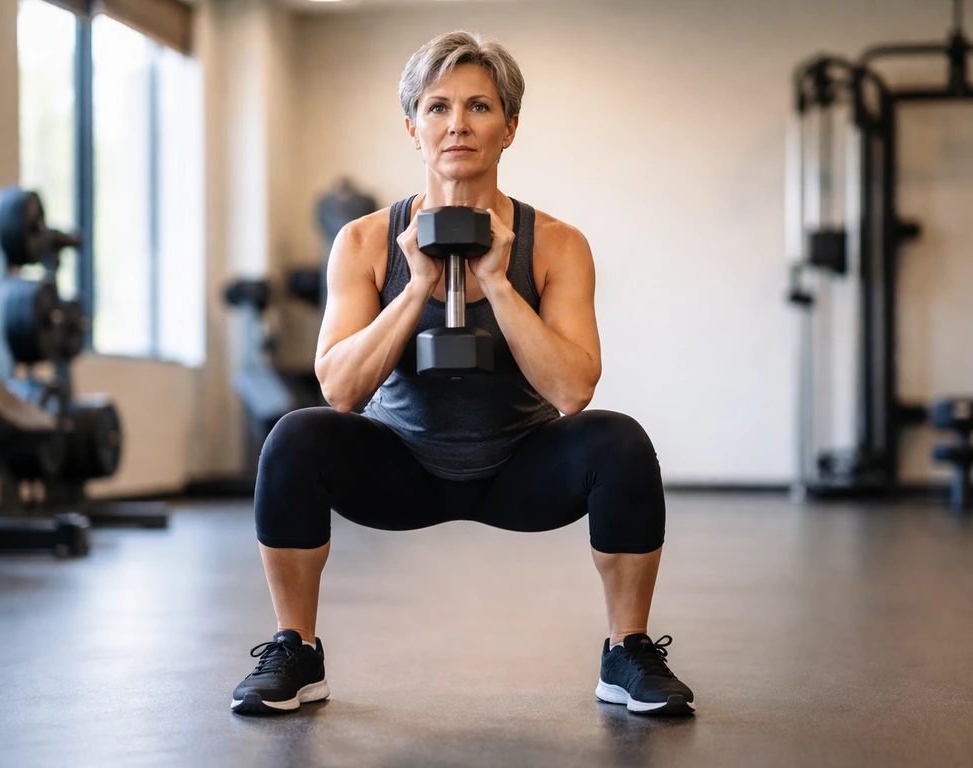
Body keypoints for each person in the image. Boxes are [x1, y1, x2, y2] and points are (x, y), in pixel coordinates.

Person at [231, 30, 695, 717]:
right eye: (438, 106)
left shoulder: (558, 244)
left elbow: (572, 390)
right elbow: (341, 390)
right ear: (412, 127)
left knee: (620, 441)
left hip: (519, 469)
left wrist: (500, 284)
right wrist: (416, 285)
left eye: (479, 107)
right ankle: (295, 649)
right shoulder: (362, 242)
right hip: (402, 468)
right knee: (296, 438)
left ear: (509, 127)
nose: (457, 124)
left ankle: (626, 651)